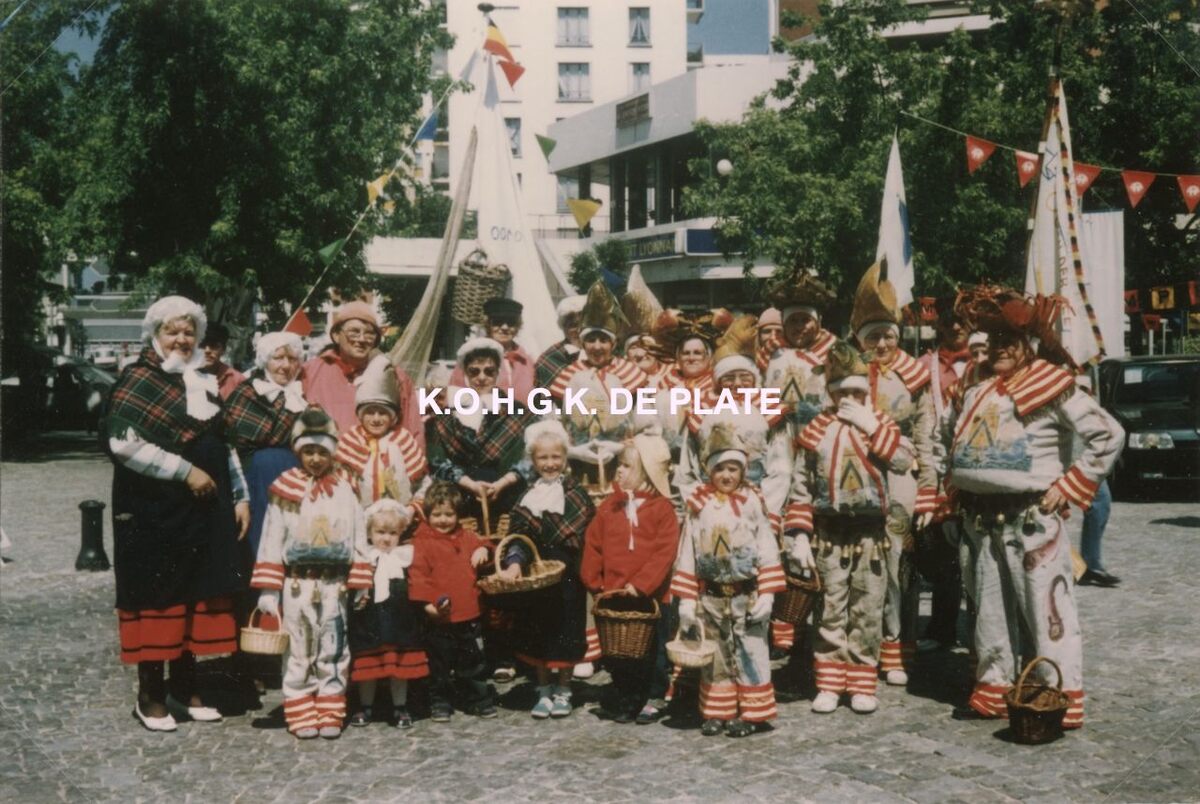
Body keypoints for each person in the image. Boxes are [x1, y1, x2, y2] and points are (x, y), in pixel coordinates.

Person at [947, 286, 1123, 729]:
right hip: (978, 517)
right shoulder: (974, 385)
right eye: (994, 339)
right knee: (988, 609)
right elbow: (946, 439)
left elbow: (1108, 435)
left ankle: (1056, 692)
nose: (1000, 348)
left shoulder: (1050, 383)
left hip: (1029, 519)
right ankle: (994, 685)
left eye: (1009, 339)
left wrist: (1071, 484)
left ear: (1028, 342)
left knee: (1047, 609)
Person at [106, 295, 250, 732]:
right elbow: (123, 443)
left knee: (195, 591)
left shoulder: (204, 381)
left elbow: (223, 444)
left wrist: (240, 495)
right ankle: (150, 696)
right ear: (155, 334)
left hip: (201, 511)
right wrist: (186, 472)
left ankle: (184, 689)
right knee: (158, 595)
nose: (182, 339)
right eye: (172, 331)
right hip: (153, 512)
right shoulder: (138, 380)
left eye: (189, 332)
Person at [784, 341, 914, 714]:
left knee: (868, 607)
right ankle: (829, 681)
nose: (850, 399)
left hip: (871, 534)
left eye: (857, 392)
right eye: (843, 393)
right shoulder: (816, 429)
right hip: (829, 532)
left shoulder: (879, 424)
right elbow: (801, 486)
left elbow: (903, 461)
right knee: (830, 608)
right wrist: (799, 535)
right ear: (831, 393)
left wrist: (871, 425)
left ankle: (861, 682)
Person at [251, 406, 371, 739]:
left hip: (335, 583)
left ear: (332, 452)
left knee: (334, 645)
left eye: (322, 451)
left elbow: (358, 534)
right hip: (297, 584)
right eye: (308, 451)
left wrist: (361, 579)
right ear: (298, 451)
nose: (315, 459)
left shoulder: (345, 488)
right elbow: (272, 536)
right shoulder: (285, 489)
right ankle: (301, 708)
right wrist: (268, 589)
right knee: (299, 646)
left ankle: (330, 707)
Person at [850, 260, 936, 686]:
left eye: (887, 335)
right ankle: (857, 648)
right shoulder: (847, 370)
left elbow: (926, 434)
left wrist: (928, 488)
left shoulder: (915, 375)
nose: (881, 343)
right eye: (873, 336)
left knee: (898, 562)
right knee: (858, 562)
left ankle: (896, 647)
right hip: (855, 472)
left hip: (900, 475)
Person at [671, 423, 785, 737]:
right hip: (711, 595)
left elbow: (767, 546)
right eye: (719, 468)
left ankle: (754, 713)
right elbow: (688, 551)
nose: (726, 475)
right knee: (716, 655)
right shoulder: (699, 504)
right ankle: (717, 711)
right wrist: (687, 600)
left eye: (733, 469)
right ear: (709, 471)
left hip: (746, 594)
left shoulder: (753, 502)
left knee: (751, 651)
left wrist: (768, 594)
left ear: (743, 471)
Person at [496, 420, 597, 720]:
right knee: (538, 630)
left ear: (565, 458)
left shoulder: (576, 493)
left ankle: (564, 688)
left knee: (566, 630)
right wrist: (515, 562)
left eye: (556, 457)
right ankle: (543, 690)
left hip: (569, 574)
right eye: (543, 457)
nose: (550, 463)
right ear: (533, 460)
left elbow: (589, 532)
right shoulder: (528, 495)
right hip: (537, 573)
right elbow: (520, 535)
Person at [581, 434, 679, 725]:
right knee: (621, 652)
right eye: (619, 465)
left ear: (646, 472)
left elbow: (664, 552)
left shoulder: (662, 509)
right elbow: (593, 544)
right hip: (616, 593)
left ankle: (653, 695)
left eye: (626, 466)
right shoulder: (610, 507)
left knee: (653, 652)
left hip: (650, 597)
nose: (619, 471)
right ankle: (627, 696)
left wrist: (642, 584)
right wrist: (594, 581)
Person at [407, 482, 497, 722]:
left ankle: (477, 699)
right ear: (427, 515)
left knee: (473, 662)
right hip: (438, 615)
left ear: (458, 515)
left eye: (449, 514)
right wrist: (428, 607)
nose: (443, 520)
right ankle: (440, 701)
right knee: (439, 664)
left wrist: (483, 550)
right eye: (437, 515)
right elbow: (418, 577)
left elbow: (487, 545)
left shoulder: (466, 536)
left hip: (469, 612)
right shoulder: (421, 542)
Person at [550, 281, 650, 485]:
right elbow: (554, 422)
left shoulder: (630, 374)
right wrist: (572, 450)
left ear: (613, 343)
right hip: (577, 464)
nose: (597, 347)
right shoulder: (569, 375)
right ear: (582, 343)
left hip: (622, 461)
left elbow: (646, 424)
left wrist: (621, 447)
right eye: (591, 340)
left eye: (603, 340)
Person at [429, 338, 534, 530]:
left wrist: (502, 483)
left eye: (489, 371)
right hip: (461, 502)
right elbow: (437, 461)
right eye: (474, 371)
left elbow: (532, 457)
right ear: (465, 374)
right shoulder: (447, 415)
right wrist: (469, 484)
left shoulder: (518, 412)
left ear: (497, 373)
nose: (482, 377)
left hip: (507, 500)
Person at [915, 305, 972, 648]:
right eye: (949, 321)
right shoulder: (925, 365)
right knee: (942, 554)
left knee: (974, 554)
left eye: (962, 321)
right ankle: (941, 629)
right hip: (936, 463)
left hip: (970, 463)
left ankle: (979, 633)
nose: (955, 327)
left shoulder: (981, 361)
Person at [224, 331, 307, 559]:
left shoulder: (300, 394)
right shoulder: (249, 392)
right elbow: (234, 441)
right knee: (264, 534)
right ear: (265, 361)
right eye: (278, 358)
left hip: (293, 475)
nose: (285, 366)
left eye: (292, 359)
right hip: (256, 475)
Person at [348, 499, 428, 729]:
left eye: (392, 533)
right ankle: (366, 706)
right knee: (368, 665)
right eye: (380, 532)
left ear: (401, 533)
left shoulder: (405, 557)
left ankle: (399, 706)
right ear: (369, 532)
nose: (386, 538)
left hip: (399, 620)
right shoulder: (364, 558)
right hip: (370, 621)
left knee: (398, 666)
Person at [302, 300, 424, 449]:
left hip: (379, 461)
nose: (361, 339)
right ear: (336, 335)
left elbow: (413, 430)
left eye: (369, 333)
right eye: (354, 332)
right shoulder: (310, 372)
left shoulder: (393, 375)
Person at [335, 355, 429, 515]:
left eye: (383, 413)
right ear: (361, 416)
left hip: (401, 517)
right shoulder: (351, 440)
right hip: (360, 517)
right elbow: (340, 485)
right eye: (370, 412)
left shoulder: (403, 439)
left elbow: (423, 484)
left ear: (393, 417)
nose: (376, 419)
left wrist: (411, 510)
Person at [1073, 375, 1121, 588]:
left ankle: (1089, 564)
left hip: (1086, 463)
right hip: (1065, 460)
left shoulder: (1088, 403)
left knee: (1101, 504)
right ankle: (1084, 565)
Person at [449, 297, 535, 404]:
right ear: (488, 324)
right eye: (498, 322)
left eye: (511, 322)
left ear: (518, 326)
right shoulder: (471, 356)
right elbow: (454, 398)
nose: (505, 327)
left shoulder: (526, 361)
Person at [534, 295, 587, 388]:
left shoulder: (601, 353)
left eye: (584, 325)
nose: (579, 330)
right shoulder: (551, 358)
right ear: (563, 327)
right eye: (573, 325)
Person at [199, 322, 246, 401]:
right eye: (202, 345)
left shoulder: (237, 380)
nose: (207, 350)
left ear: (223, 350)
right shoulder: (183, 374)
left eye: (213, 346)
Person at [755, 307, 784, 374]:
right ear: (759, 336)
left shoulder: (795, 358)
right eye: (767, 331)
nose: (773, 337)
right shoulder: (750, 362)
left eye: (779, 331)